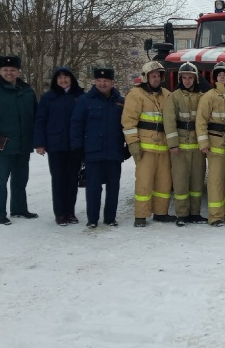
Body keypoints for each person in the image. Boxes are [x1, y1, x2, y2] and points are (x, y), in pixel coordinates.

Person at [0, 55, 38, 225]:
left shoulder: (27, 91)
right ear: (0, 71)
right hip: (2, 145)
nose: (9, 73)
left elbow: (36, 115)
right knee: (0, 181)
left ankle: (19, 209)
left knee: (21, 179)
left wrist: (37, 139)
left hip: (23, 144)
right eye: (5, 70)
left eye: (12, 70)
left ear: (18, 71)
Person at [70, 68, 125, 228]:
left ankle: (110, 218)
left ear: (112, 82)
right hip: (93, 152)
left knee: (113, 188)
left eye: (106, 80)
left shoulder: (120, 101)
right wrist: (77, 147)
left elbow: (126, 125)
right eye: (99, 80)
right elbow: (76, 125)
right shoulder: (85, 101)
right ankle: (92, 219)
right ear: (95, 82)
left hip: (114, 151)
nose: (102, 83)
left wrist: (127, 146)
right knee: (93, 188)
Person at [122, 60, 172, 227]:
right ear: (145, 77)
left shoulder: (167, 94)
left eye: (158, 76)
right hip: (145, 148)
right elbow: (128, 122)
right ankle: (141, 216)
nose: (156, 79)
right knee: (144, 182)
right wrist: (133, 143)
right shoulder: (135, 95)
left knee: (164, 183)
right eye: (153, 76)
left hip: (164, 148)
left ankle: (160, 213)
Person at [34, 67, 84, 226]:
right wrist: (40, 143)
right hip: (55, 145)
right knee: (58, 180)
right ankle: (60, 214)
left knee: (72, 180)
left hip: (75, 145)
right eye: (60, 78)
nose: (63, 80)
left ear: (71, 79)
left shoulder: (80, 96)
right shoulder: (48, 98)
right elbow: (40, 121)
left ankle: (70, 212)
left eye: (66, 77)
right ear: (55, 80)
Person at [163, 62, 207, 227]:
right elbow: (169, 121)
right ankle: (182, 214)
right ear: (180, 79)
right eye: (185, 78)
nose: (187, 81)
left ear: (195, 79)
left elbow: (204, 121)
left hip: (197, 147)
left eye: (190, 78)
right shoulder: (173, 97)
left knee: (197, 181)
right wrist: (173, 144)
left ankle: (195, 213)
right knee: (181, 181)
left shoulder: (201, 97)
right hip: (180, 148)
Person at [196, 61, 225, 227]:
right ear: (215, 77)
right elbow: (201, 121)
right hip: (215, 145)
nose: (222, 77)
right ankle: (215, 216)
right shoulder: (208, 97)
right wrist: (204, 143)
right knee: (215, 181)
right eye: (219, 74)